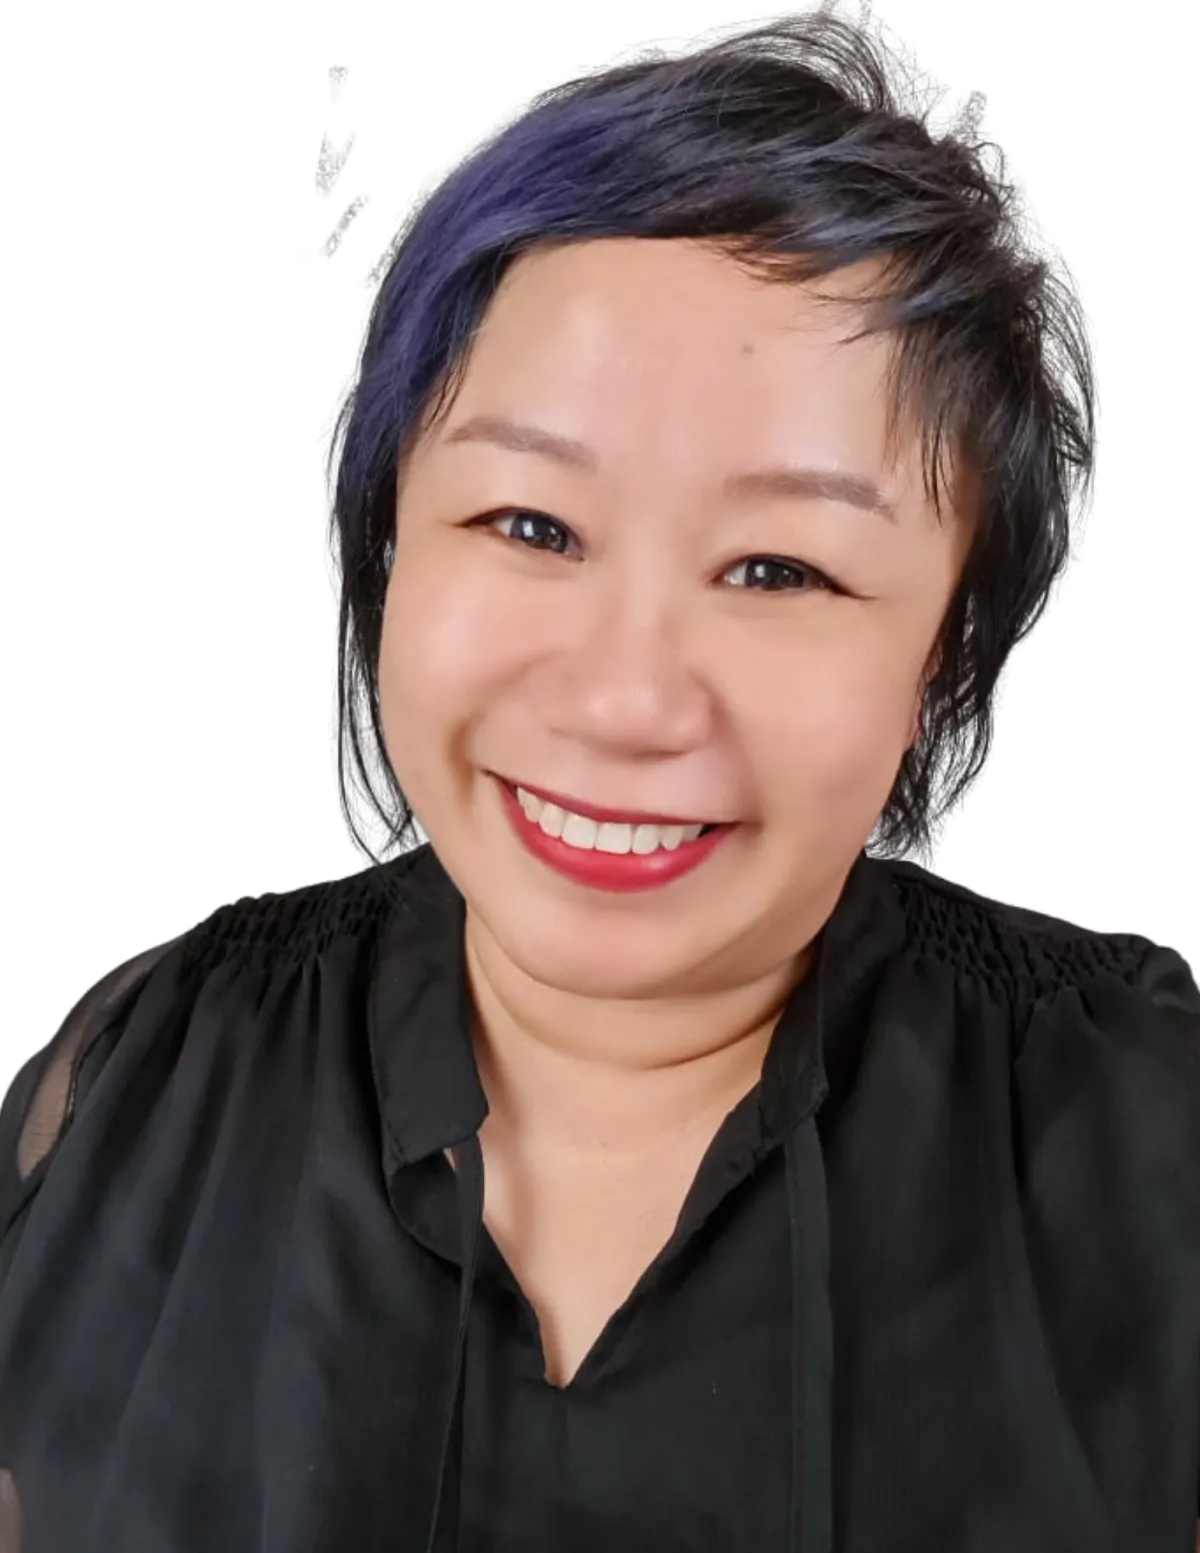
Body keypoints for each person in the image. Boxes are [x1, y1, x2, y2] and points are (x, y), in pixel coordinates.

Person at [2, 5, 1197, 1550]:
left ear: (941, 661)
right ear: (390, 543)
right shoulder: (135, 1079)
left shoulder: (1150, 1143)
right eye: (531, 525)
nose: (625, 702)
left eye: (779, 569)